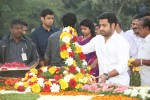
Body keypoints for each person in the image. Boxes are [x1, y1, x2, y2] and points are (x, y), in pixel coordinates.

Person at [82, 12, 130, 86]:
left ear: (113, 25)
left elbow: (122, 66)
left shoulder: (122, 42)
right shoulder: (98, 39)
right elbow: (83, 49)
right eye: (100, 25)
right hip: (102, 83)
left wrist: (107, 75)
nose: (101, 28)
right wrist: (67, 39)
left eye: (104, 25)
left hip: (119, 83)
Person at [131, 18, 150, 86]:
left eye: (139, 28)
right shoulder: (142, 40)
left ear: (147, 28)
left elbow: (141, 60)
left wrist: (141, 62)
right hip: (143, 80)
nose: (137, 31)